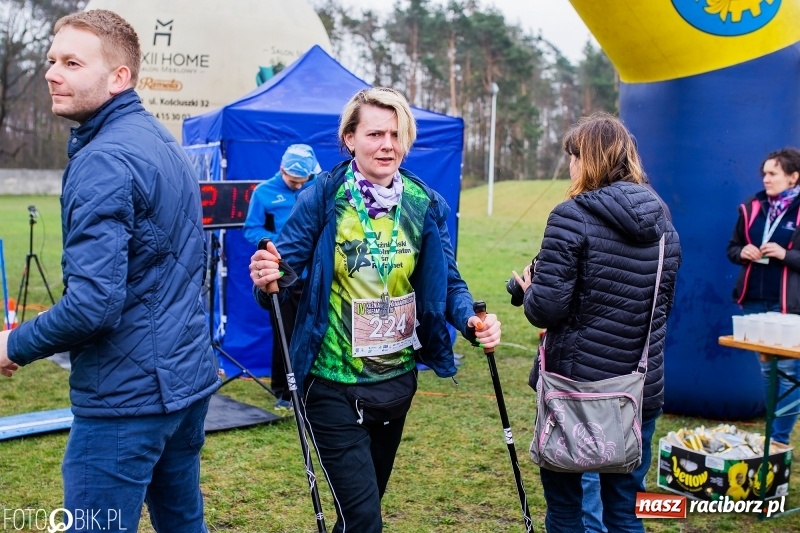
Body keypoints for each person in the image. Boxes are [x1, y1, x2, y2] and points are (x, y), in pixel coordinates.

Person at [0, 10, 219, 532]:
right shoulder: (159, 141)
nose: (53, 73)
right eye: (52, 60)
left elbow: (92, 305)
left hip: (128, 401)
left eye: (73, 62)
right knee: (183, 522)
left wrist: (13, 344)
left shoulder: (106, 158)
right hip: (182, 386)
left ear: (119, 77)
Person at [249, 87, 501, 532]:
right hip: (331, 383)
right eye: (375, 134)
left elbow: (450, 282)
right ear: (349, 138)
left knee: (361, 511)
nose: (387, 144)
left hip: (395, 381)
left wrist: (470, 319)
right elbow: (280, 271)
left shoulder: (423, 204)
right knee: (365, 519)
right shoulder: (324, 198)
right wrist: (268, 272)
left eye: (396, 134)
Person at [513, 112, 681, 532]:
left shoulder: (570, 215)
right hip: (639, 390)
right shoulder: (664, 223)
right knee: (625, 510)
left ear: (586, 160)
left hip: (574, 392)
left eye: (572, 156)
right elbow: (659, 307)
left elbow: (546, 310)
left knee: (568, 509)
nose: (569, 166)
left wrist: (529, 290)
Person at [727, 147, 800, 445]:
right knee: (769, 372)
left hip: (788, 304)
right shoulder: (753, 206)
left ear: (793, 177)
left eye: (773, 173)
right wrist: (742, 252)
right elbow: (732, 247)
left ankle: (779, 440)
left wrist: (786, 254)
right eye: (764, 173)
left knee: (787, 372)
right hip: (754, 301)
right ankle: (774, 436)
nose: (766, 179)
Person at [243, 143, 320, 410]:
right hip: (283, 275)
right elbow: (251, 228)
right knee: (285, 334)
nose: (298, 186)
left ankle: (314, 388)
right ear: (281, 169)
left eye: (303, 181)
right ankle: (284, 393)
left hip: (316, 274)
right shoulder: (264, 192)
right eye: (292, 181)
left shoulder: (317, 186)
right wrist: (279, 244)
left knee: (317, 331)